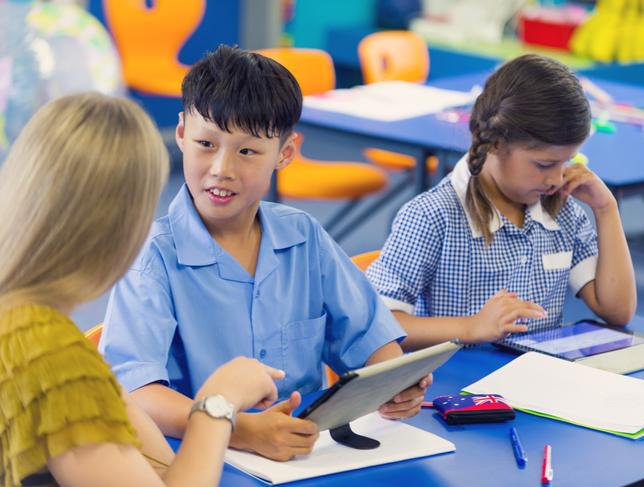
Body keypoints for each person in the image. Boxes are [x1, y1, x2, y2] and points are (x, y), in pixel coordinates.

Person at [99, 45, 429, 462]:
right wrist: (241, 429)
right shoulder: (151, 258)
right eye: (206, 143)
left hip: (307, 455)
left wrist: (392, 381)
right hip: (197, 459)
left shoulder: (304, 236)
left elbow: (371, 338)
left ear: (286, 152)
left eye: (248, 151)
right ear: (181, 133)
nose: (222, 168)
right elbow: (136, 394)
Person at [0, 92, 284, 487]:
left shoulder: (31, 329)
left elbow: (162, 468)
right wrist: (218, 402)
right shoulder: (51, 355)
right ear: (123, 228)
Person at [366, 54, 636, 351]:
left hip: (536, 382)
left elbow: (617, 311)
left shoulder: (561, 210)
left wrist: (606, 209)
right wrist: (470, 327)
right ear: (496, 144)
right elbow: (379, 324)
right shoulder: (432, 216)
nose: (557, 179)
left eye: (566, 162)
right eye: (544, 164)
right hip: (456, 385)